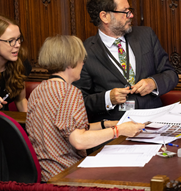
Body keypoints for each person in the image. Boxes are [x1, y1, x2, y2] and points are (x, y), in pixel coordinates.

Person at [26, 35, 145, 182]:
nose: (83, 64)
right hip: (65, 174)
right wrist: (119, 131)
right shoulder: (70, 92)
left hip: (44, 173)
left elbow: (62, 129)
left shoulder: (39, 90)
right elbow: (78, 140)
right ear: (71, 62)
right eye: (81, 59)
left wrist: (106, 124)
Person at [73, 0, 179, 122]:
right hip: (115, 129)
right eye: (125, 11)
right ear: (105, 16)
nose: (131, 15)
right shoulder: (84, 52)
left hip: (153, 121)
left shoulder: (145, 36)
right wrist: (107, 98)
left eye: (130, 10)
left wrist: (153, 83)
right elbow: (79, 102)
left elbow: (171, 74)